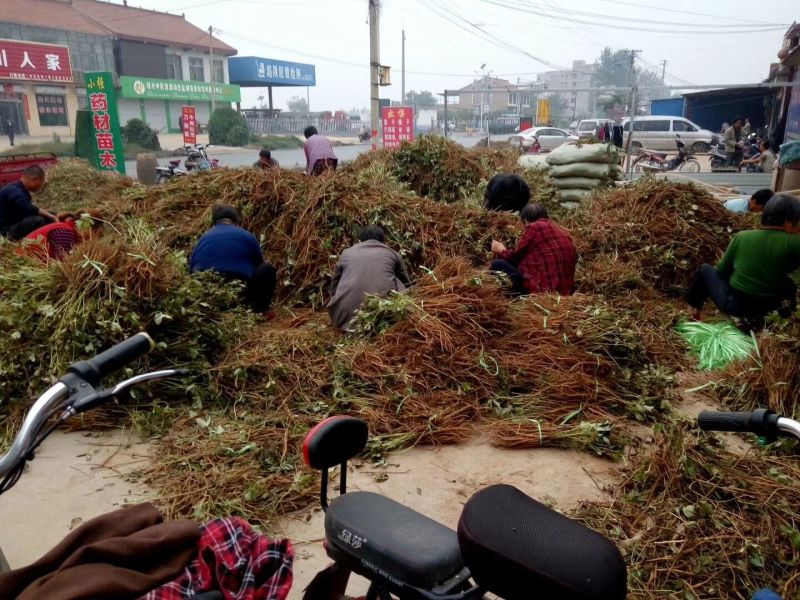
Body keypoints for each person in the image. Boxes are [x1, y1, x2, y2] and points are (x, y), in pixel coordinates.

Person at [686, 193, 800, 323]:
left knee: (704, 269)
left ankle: (692, 314)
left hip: (736, 305)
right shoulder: (796, 243)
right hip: (777, 311)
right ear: (788, 222)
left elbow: (722, 270)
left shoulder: (742, 236)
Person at [190, 205, 277, 316]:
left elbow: (191, 271)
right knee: (267, 269)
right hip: (238, 293)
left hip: (206, 292)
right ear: (236, 221)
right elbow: (259, 266)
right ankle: (259, 311)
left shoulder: (203, 239)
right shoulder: (247, 235)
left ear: (214, 222)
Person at [328, 225, 411, 331]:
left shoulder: (346, 253)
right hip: (383, 317)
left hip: (344, 317)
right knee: (397, 279)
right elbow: (407, 284)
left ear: (360, 239)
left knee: (346, 276)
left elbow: (335, 284)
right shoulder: (393, 254)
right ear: (383, 240)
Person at [490, 203, 577, 296]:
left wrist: (500, 249)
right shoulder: (561, 231)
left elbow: (514, 256)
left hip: (543, 290)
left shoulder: (535, 227)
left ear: (525, 221)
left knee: (497, 264)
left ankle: (513, 298)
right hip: (564, 291)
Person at [20, 210, 103, 261]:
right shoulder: (66, 232)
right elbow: (61, 262)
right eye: (95, 234)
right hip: (24, 261)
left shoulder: (67, 228)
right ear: (88, 227)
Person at [0, 165, 55, 237]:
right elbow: (28, 207)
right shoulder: (13, 189)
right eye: (41, 182)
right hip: (5, 231)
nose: (41, 186)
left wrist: (51, 214)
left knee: (45, 216)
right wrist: (52, 217)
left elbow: (28, 211)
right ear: (34, 179)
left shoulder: (21, 189)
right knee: (37, 221)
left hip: (15, 223)